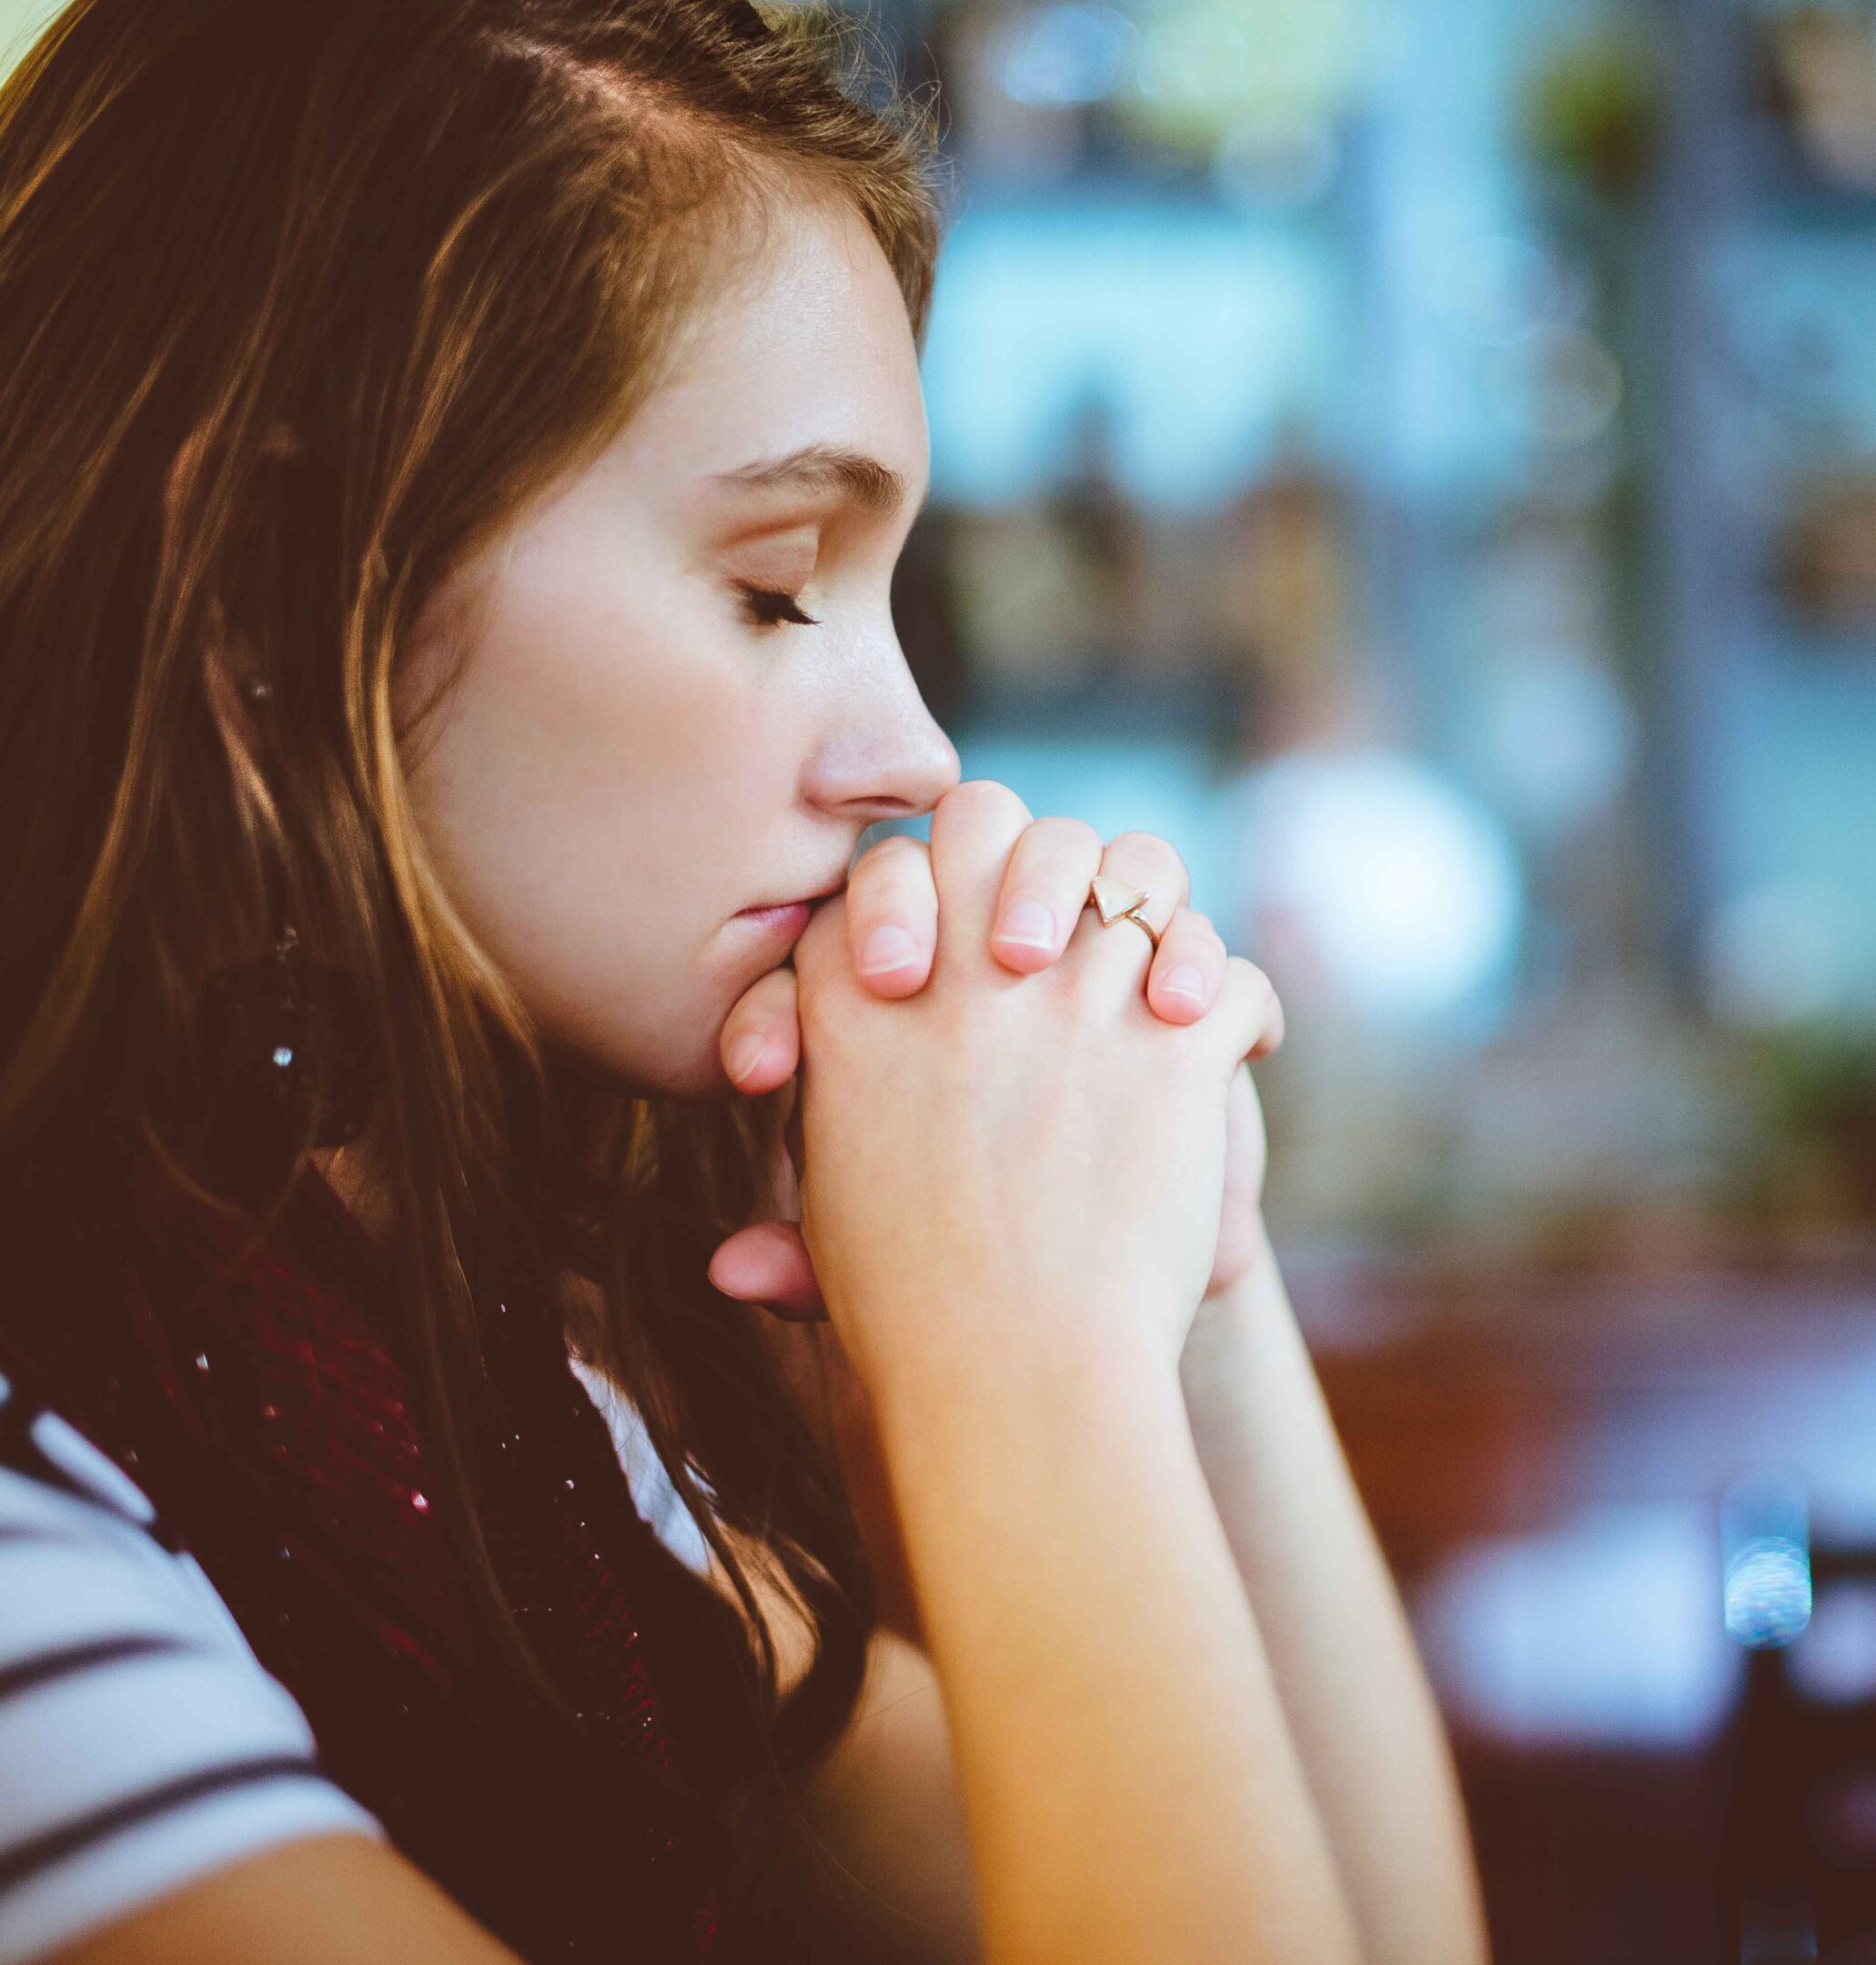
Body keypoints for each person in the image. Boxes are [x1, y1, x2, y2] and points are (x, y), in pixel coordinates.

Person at [0, 2, 1489, 1961]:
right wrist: (1018, 1360)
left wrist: (1177, 1264)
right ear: (279, 591)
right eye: (776, 583)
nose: (921, 757)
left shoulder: (482, 1408)